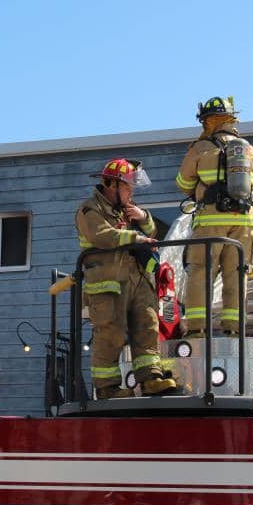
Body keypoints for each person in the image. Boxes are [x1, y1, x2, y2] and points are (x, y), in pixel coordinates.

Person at [75, 158, 178, 398]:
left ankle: (151, 378)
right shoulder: (90, 210)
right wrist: (135, 238)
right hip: (108, 283)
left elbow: (152, 231)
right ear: (112, 184)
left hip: (138, 280)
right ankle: (107, 388)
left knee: (147, 325)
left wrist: (143, 218)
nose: (131, 191)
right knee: (112, 332)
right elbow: (102, 236)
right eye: (127, 186)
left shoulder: (128, 209)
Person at [176, 97, 253, 337]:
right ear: (231, 119)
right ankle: (234, 329)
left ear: (208, 121)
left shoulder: (201, 148)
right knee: (237, 273)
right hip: (245, 221)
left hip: (211, 221)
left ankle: (197, 329)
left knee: (201, 271)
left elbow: (183, 183)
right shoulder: (249, 150)